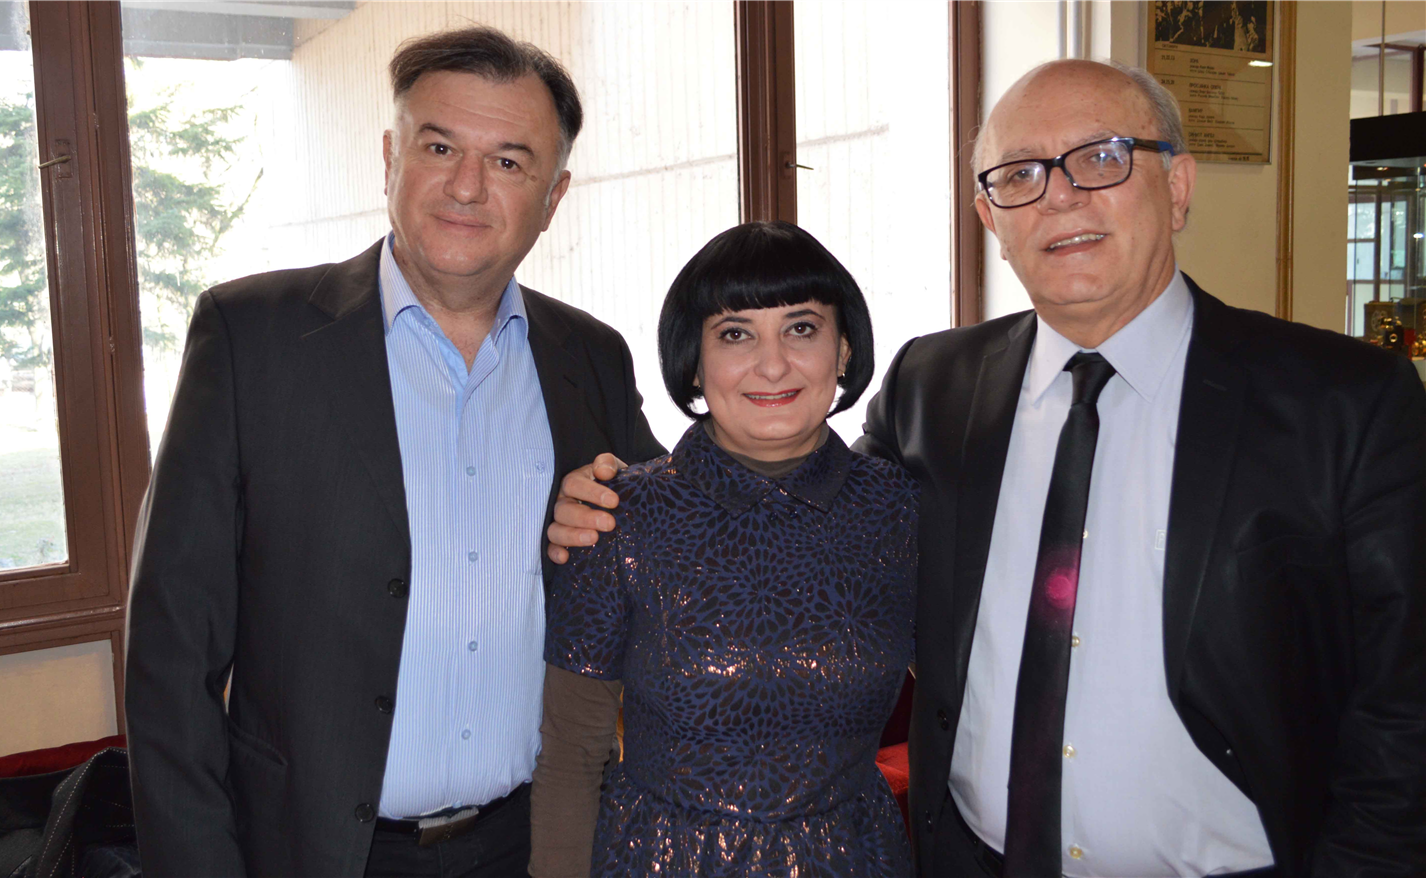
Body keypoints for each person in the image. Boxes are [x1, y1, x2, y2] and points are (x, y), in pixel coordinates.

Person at [549, 60, 1426, 876]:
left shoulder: (1345, 403)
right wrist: (608, 502)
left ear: (1179, 185)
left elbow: (1405, 704)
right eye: (1021, 174)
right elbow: (791, 508)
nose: (1060, 196)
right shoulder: (937, 387)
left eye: (1102, 158)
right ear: (989, 217)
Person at [124, 27, 663, 878]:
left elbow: (682, 556)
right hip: (319, 852)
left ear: (554, 196)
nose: (466, 186)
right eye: (439, 147)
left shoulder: (591, 357)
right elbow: (171, 655)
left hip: (537, 842)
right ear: (390, 158)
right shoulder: (253, 339)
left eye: (509, 161)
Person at [529, 221, 918, 877]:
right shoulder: (616, 516)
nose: (773, 364)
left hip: (853, 857)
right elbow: (572, 749)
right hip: (659, 859)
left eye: (802, 328)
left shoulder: (900, 510)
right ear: (695, 361)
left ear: (844, 349)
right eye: (736, 334)